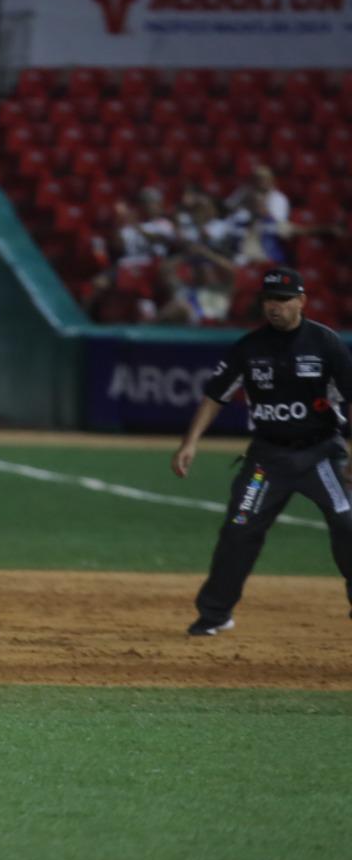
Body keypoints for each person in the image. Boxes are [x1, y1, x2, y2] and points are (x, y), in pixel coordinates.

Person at [171, 266, 352, 636]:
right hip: (266, 461)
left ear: (302, 301)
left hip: (321, 455)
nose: (275, 307)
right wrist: (189, 443)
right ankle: (215, 614)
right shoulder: (249, 348)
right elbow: (214, 396)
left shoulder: (325, 343)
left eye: (284, 300)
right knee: (239, 529)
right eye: (269, 299)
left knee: (348, 523)